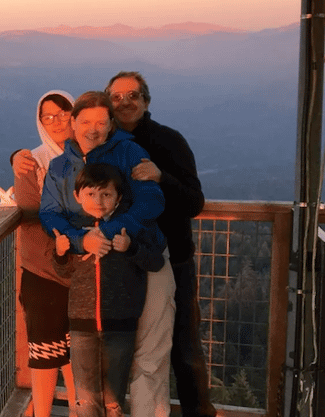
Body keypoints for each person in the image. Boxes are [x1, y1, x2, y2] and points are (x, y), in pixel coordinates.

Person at [38, 90, 171, 415]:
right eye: (86, 121)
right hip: (93, 285)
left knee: (147, 359)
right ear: (74, 122)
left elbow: (151, 201)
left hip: (142, 260)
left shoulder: (129, 152)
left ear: (111, 123)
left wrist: (107, 232)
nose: (93, 128)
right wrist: (81, 241)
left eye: (101, 121)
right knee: (95, 387)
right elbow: (49, 213)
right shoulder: (60, 166)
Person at [106, 71, 213, 417]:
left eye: (132, 95)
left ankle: (198, 411)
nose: (125, 102)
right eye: (117, 96)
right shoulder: (103, 145)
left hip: (174, 261)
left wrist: (160, 177)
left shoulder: (169, 141)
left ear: (146, 101)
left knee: (183, 347)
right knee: (124, 347)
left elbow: (195, 202)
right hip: (121, 263)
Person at [52, 163, 165, 417]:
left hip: (121, 325)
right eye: (90, 194)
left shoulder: (130, 229)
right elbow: (63, 272)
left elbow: (156, 262)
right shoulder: (73, 230)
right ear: (77, 196)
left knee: (114, 398)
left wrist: (131, 248)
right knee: (86, 396)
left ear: (119, 198)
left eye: (106, 194)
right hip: (81, 325)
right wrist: (60, 252)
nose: (98, 201)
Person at [11, 90, 77, 417]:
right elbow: (27, 208)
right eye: (47, 117)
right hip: (43, 274)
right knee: (46, 355)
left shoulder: (91, 157)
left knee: (80, 357)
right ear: (40, 122)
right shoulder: (31, 160)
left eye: (63, 113)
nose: (56, 121)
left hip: (82, 275)